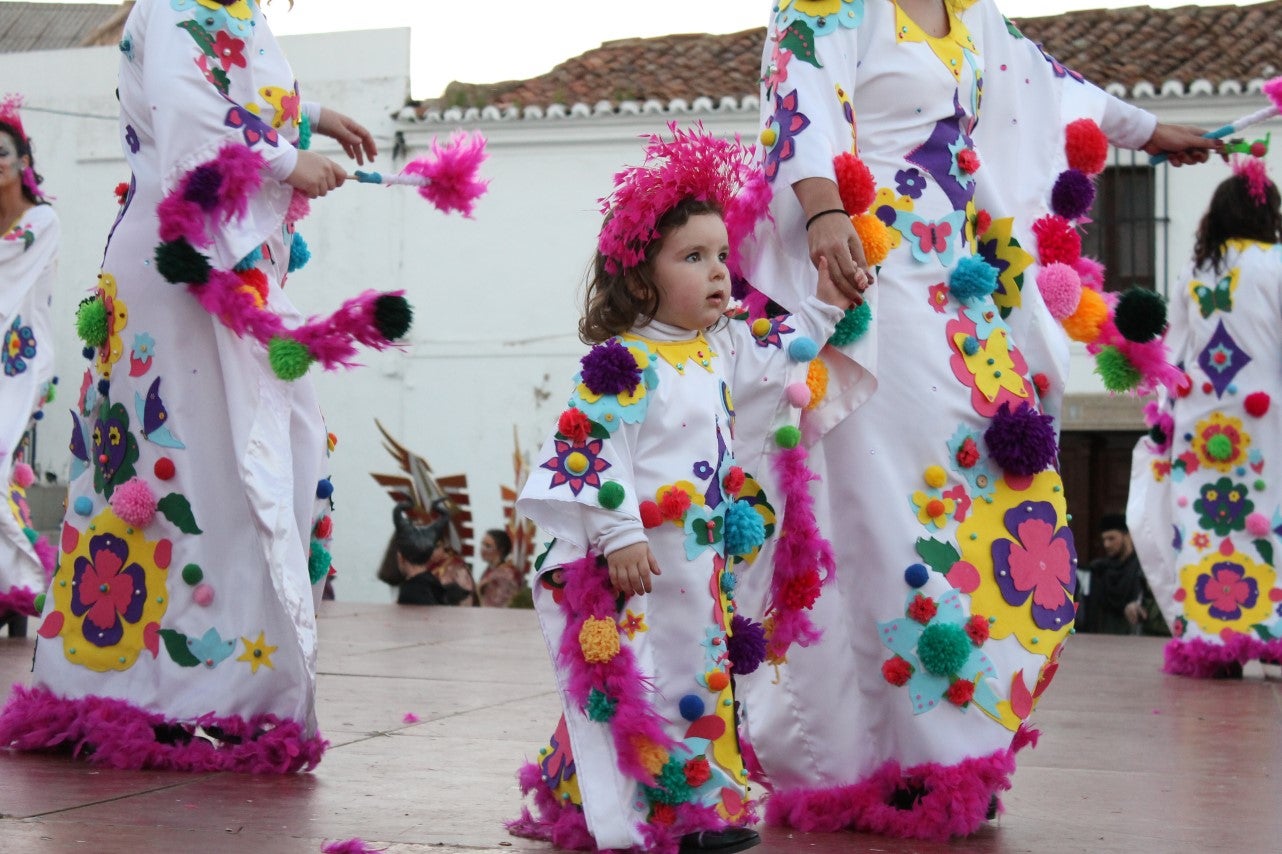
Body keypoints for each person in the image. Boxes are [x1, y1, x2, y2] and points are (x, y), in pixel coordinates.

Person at [734, 0, 1220, 841]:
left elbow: (1049, 86)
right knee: (885, 522)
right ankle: (896, 759)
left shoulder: (973, 15)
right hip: (867, 291)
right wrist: (824, 214)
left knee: (980, 514)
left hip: (956, 300)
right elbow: (799, 93)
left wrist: (1149, 132)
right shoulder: (832, 5)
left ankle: (938, 741)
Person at [0, 0, 401, 772]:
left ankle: (220, 683)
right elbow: (186, 106)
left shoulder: (226, 9)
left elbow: (227, 89)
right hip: (182, 271)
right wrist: (286, 160)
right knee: (190, 473)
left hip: (215, 264)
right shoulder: (176, 1)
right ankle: (169, 690)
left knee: (234, 465)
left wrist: (313, 115)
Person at [508, 126, 855, 854]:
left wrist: (824, 305)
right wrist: (618, 535)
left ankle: (637, 794)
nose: (719, 272)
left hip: (700, 565)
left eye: (722, 255)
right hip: (640, 565)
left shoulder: (718, 345)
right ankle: (673, 813)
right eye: (693, 257)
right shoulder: (622, 362)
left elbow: (778, 359)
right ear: (641, 279)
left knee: (699, 671)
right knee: (650, 677)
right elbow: (591, 446)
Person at [1129, 161, 1282, 677]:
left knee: (1204, 527)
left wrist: (1162, 416)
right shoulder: (1277, 263)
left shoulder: (1196, 271)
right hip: (1265, 423)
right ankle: (1270, 634)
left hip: (1201, 425)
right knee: (1268, 524)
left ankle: (1214, 639)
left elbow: (1171, 351)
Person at [0, 95, 58, 638]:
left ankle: (27, 581)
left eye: (2, 152)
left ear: (23, 161)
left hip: (20, 363)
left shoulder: (41, 221)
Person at [1087, 514, 1166, 636]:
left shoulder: (1143, 568)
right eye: (1104, 540)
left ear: (1128, 536)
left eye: (1111, 538)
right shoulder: (1099, 569)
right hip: (1103, 637)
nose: (1106, 544)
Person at [478, 527, 526, 607]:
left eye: (488, 546)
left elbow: (498, 604)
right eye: (482, 544)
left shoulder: (507, 574)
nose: (483, 549)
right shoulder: (490, 570)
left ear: (501, 550)